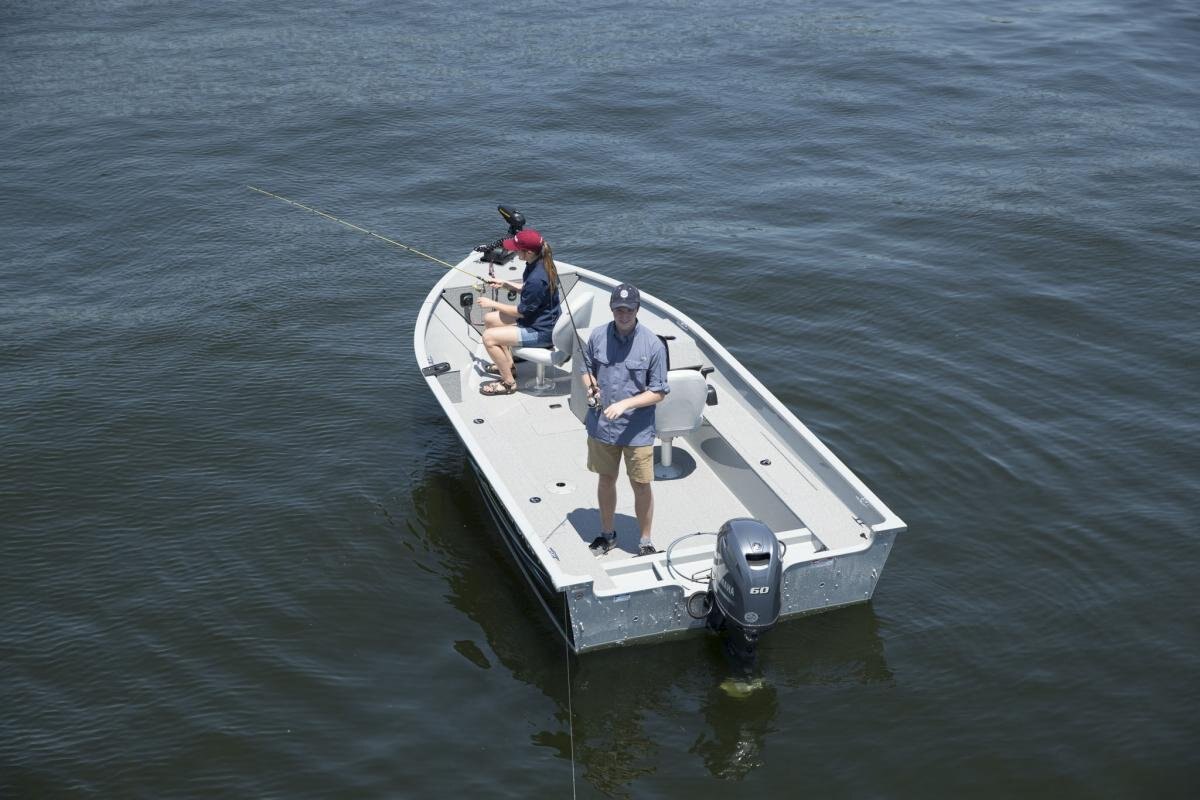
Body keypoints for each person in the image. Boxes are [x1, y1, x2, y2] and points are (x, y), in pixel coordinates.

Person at [582, 283, 670, 557]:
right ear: (611, 309)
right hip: (601, 426)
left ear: (637, 310)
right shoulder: (597, 336)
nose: (623, 315)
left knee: (641, 485)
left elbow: (659, 392)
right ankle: (607, 535)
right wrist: (590, 386)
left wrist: (625, 404)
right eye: (619, 310)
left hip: (637, 431)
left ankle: (645, 541)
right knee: (606, 479)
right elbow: (586, 369)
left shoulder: (653, 344)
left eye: (629, 310)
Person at [477, 229, 562, 395]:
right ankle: (508, 366)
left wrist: (492, 303)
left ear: (528, 252)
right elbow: (530, 290)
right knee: (490, 319)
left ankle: (509, 383)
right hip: (541, 318)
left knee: (488, 338)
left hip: (542, 331)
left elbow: (520, 312)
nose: (514, 252)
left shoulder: (537, 277)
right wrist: (506, 284)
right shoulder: (540, 263)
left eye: (517, 249)